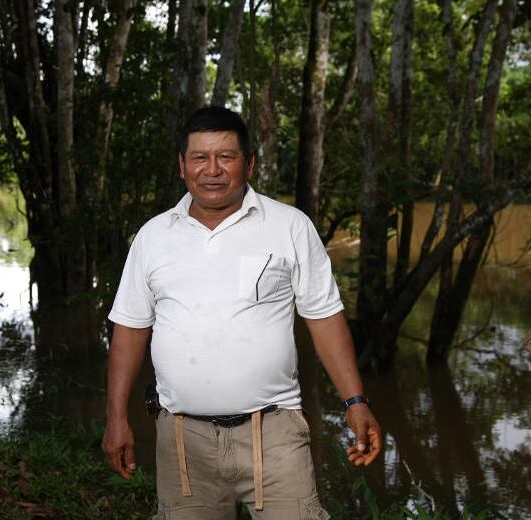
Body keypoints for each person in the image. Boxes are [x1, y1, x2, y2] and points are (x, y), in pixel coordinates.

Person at [102, 106, 381, 519]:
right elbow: (130, 329)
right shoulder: (153, 237)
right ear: (182, 166)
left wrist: (355, 401)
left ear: (249, 163)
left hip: (275, 433)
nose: (212, 170)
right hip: (182, 438)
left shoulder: (289, 226)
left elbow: (323, 318)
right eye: (199, 157)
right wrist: (116, 418)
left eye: (225, 157)